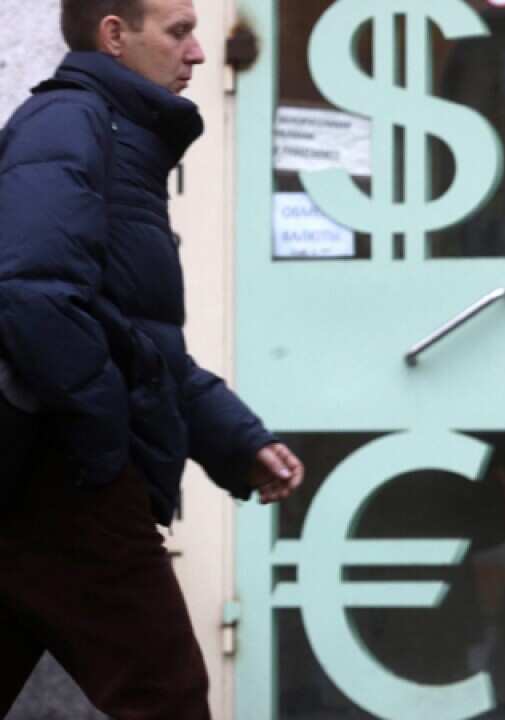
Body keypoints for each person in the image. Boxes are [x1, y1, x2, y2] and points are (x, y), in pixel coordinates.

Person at [0, 1, 304, 717]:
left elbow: (137, 342)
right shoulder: (70, 125)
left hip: (43, 478)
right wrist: (105, 441)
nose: (197, 52)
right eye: (178, 32)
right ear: (115, 35)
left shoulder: (116, 137)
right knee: (165, 695)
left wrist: (235, 440)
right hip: (68, 482)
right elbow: (30, 295)